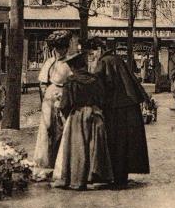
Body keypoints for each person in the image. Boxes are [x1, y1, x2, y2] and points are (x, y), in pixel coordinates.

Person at [86, 37, 150, 189]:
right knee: (126, 143)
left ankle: (114, 177)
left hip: (115, 108)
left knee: (115, 142)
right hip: (129, 105)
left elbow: (101, 86)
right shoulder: (117, 59)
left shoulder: (103, 62)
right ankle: (122, 176)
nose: (91, 56)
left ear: (99, 49)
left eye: (92, 53)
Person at [52, 52, 113, 190]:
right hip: (95, 114)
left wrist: (65, 113)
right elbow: (102, 99)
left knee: (77, 148)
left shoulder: (71, 82)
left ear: (73, 67)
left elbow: (65, 104)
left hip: (78, 116)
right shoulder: (95, 79)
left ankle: (77, 179)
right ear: (85, 65)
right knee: (94, 146)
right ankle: (94, 177)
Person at [32, 31, 73, 179]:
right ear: (54, 49)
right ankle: (46, 162)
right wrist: (45, 95)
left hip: (64, 96)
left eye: (63, 48)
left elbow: (73, 81)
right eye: (58, 48)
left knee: (62, 129)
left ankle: (60, 164)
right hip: (49, 98)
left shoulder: (70, 63)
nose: (61, 51)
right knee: (47, 128)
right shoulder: (49, 63)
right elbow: (43, 83)